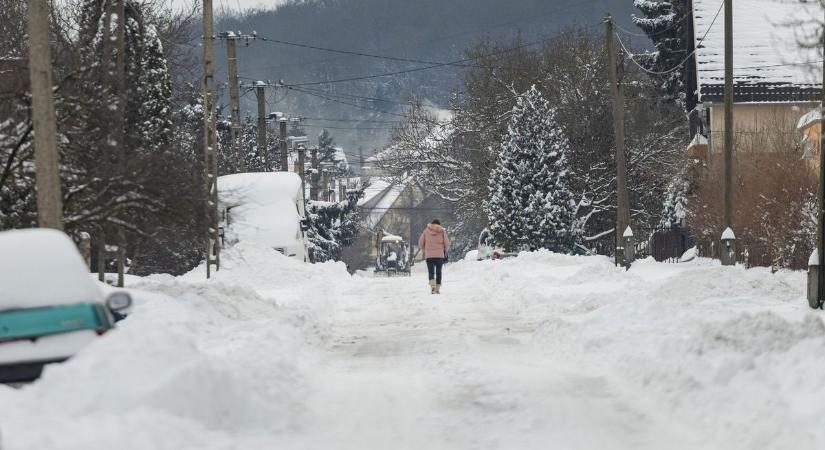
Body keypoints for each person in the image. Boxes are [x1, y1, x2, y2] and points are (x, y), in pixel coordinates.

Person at [418, 219, 450, 294]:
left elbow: (420, 243)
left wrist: (424, 250)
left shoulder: (426, 231)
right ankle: (437, 288)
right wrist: (444, 250)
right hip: (439, 255)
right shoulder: (442, 231)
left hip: (429, 256)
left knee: (431, 272)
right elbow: (447, 243)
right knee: (439, 272)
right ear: (439, 224)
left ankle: (433, 286)